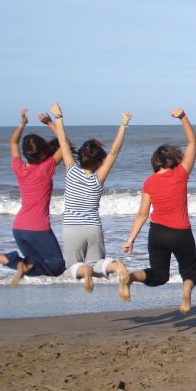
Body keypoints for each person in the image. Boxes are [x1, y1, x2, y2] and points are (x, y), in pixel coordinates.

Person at [0, 109, 66, 285]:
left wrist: (22, 123)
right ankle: (1, 258)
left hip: (19, 227)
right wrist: (49, 122)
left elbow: (13, 142)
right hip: (38, 228)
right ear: (44, 151)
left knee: (30, 265)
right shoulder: (46, 168)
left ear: (25, 153)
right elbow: (65, 144)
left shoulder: (19, 168)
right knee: (57, 266)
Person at [121, 107, 196, 314]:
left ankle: (130, 277)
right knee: (189, 269)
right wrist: (183, 117)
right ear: (173, 159)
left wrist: (130, 239)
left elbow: (142, 214)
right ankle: (186, 292)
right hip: (181, 232)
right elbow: (193, 142)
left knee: (159, 274)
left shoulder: (149, 182)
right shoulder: (180, 174)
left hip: (157, 233)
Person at [48, 103, 131, 293]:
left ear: (81, 157)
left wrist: (58, 117)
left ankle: (84, 271)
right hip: (93, 226)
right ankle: (116, 267)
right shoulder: (98, 178)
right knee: (97, 265)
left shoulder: (70, 170)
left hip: (72, 227)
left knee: (71, 267)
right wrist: (123, 124)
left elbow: (62, 141)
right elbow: (115, 151)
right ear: (99, 161)